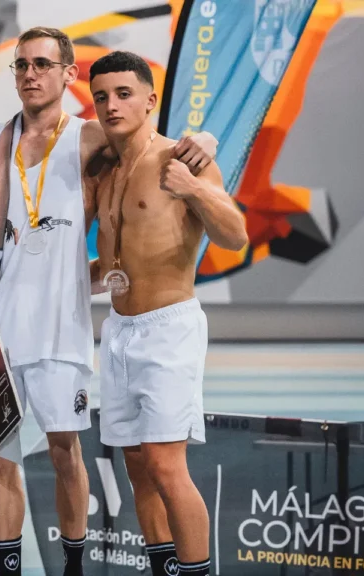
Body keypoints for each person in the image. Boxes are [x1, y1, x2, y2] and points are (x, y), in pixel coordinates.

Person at [0, 29, 218, 576]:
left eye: (43, 64)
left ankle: (72, 567)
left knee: (66, 451)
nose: (29, 74)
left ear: (69, 74)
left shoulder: (90, 139)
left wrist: (204, 140)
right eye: (21, 64)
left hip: (58, 330)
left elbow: (155, 142)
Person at [87, 51, 248, 576]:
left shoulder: (182, 160)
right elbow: (111, 259)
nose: (112, 105)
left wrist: (196, 188)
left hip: (168, 327)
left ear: (151, 100)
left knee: (164, 463)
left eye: (124, 93)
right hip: (117, 330)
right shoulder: (105, 169)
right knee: (137, 465)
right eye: (102, 96)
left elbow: (236, 237)